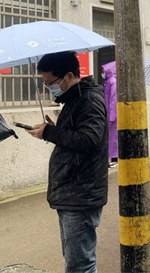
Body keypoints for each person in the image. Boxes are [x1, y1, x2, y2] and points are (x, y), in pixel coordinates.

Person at [26, 51, 108, 273]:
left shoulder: (88, 100)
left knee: (80, 264)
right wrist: (56, 130)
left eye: (50, 82)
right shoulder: (75, 99)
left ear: (69, 75)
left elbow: (89, 140)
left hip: (80, 193)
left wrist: (51, 133)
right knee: (75, 260)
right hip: (71, 191)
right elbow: (79, 136)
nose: (48, 87)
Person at [101, 61, 118, 168]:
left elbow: (113, 100)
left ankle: (114, 159)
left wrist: (112, 116)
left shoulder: (113, 82)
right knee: (110, 137)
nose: (102, 72)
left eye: (103, 70)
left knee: (113, 137)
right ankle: (112, 158)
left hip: (112, 115)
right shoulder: (108, 81)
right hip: (108, 114)